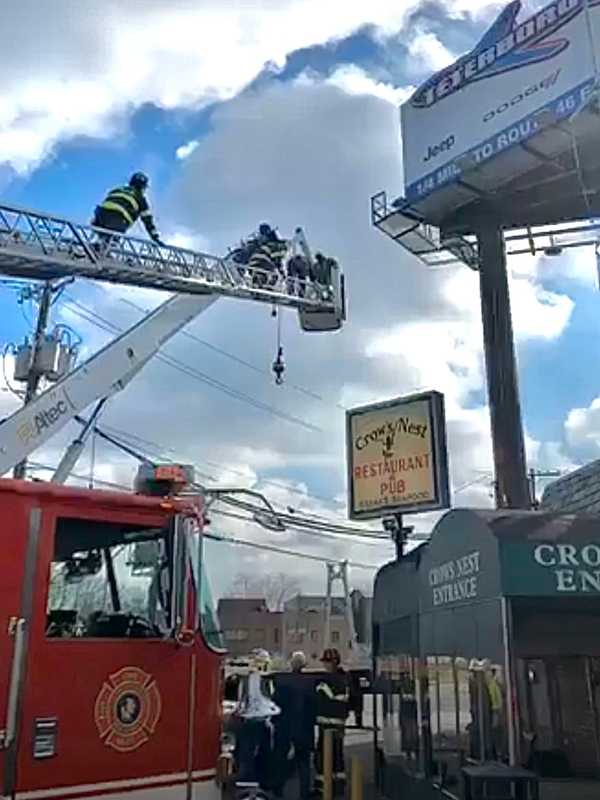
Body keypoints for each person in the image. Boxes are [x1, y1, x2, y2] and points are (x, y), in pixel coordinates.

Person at [272, 651, 316, 800]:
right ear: (304, 665)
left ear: (291, 664)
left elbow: (275, 705)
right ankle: (304, 793)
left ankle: (278, 789)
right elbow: (313, 708)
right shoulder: (310, 683)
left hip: (285, 728)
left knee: (281, 760)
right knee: (304, 763)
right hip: (304, 729)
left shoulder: (282, 682)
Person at [92, 172, 163, 246]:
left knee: (105, 231)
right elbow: (147, 220)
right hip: (118, 222)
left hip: (99, 219)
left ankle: (99, 243)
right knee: (117, 224)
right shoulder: (140, 198)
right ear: (142, 187)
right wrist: (155, 238)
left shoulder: (117, 190)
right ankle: (110, 245)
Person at [314, 648, 349, 797]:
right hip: (339, 724)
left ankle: (323, 786)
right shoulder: (346, 679)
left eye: (326, 662)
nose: (325, 665)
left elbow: (320, 702)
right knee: (338, 755)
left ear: (332, 663)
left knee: (323, 755)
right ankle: (339, 785)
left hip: (326, 724)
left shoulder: (323, 682)